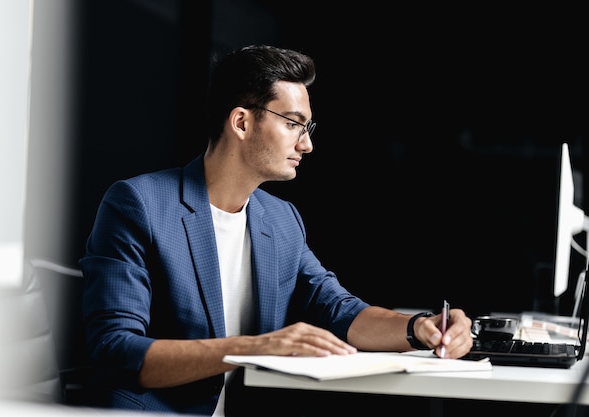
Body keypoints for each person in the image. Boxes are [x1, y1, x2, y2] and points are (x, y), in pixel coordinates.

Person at [79, 44, 474, 416]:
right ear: (241, 122)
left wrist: (418, 327)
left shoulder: (281, 219)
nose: (307, 145)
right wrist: (256, 348)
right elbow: (115, 350)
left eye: (308, 128)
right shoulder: (139, 203)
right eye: (293, 124)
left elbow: (338, 309)